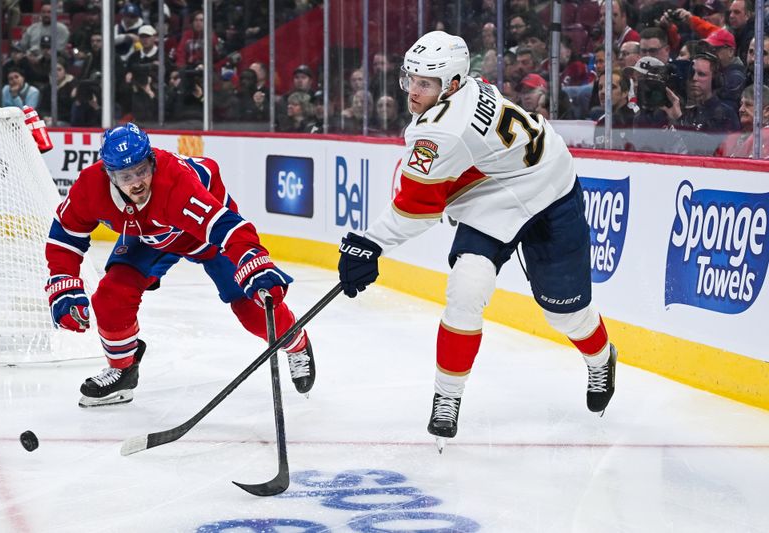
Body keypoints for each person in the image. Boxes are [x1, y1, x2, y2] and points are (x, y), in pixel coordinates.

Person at [337, 31, 618, 447]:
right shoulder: (464, 89)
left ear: (452, 84)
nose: (413, 91)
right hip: (493, 198)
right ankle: (447, 398)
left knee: (564, 313)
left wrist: (369, 242)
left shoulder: (441, 130)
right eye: (410, 79)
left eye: (424, 83)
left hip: (551, 189)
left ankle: (600, 357)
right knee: (466, 289)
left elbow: (417, 209)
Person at [44, 123, 315, 407]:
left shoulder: (175, 184)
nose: (136, 183)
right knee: (111, 297)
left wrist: (254, 262)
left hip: (205, 239)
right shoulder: (91, 186)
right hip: (150, 239)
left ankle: (296, 343)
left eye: (141, 170)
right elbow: (65, 234)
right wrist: (63, 282)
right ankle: (123, 370)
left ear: (152, 161)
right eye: (125, 176)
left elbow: (226, 227)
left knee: (254, 312)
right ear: (109, 175)